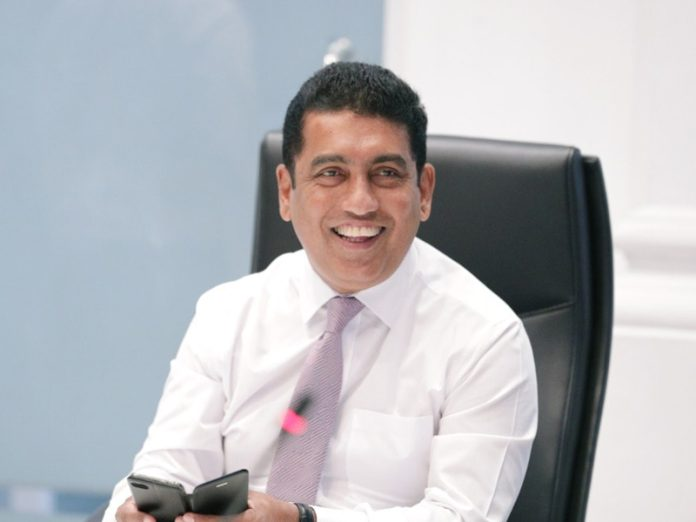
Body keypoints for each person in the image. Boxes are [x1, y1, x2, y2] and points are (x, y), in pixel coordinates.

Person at [105, 62, 537, 522]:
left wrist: (301, 520)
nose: (360, 202)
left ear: (424, 190)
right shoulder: (227, 313)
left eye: (386, 173)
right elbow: (169, 466)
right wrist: (133, 511)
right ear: (286, 191)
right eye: (331, 173)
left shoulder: (486, 338)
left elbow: (460, 516)